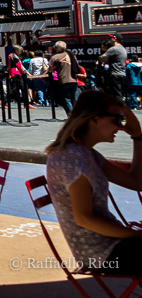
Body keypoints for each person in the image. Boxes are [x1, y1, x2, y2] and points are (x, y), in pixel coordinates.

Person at [45, 91, 142, 275]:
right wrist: (136, 235)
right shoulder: (74, 158)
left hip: (111, 243)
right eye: (117, 119)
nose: (121, 127)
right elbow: (84, 218)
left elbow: (137, 182)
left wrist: (137, 136)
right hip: (101, 253)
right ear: (95, 119)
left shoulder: (86, 154)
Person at [50, 41, 78, 114]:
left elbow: (50, 69)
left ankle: (71, 115)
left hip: (64, 80)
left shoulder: (55, 57)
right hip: (74, 79)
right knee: (75, 99)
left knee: (66, 99)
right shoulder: (71, 55)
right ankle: (77, 114)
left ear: (57, 48)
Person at [101, 33, 128, 100]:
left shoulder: (114, 49)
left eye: (111, 38)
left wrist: (102, 58)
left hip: (114, 74)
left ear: (115, 39)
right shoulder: (123, 49)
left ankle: (119, 106)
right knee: (118, 93)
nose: (110, 40)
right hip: (122, 74)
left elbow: (102, 58)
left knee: (115, 95)